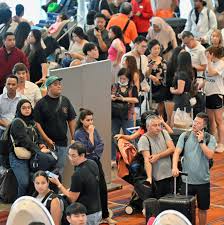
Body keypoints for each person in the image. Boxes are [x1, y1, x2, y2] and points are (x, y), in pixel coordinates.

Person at [172, 112, 216, 225]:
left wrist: (201, 142)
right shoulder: (184, 136)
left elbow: (210, 155)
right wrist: (174, 167)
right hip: (186, 181)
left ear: (204, 125)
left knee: (202, 209)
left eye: (198, 123)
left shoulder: (210, 138)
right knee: (185, 209)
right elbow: (177, 152)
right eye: (194, 121)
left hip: (203, 181)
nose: (195, 124)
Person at [74, 109, 117, 224]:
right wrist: (91, 134)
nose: (90, 122)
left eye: (92, 120)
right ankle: (85, 217)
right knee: (88, 191)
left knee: (102, 188)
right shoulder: (79, 133)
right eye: (88, 120)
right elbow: (87, 149)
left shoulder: (94, 130)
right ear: (82, 120)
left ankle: (105, 215)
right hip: (84, 164)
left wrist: (93, 154)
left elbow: (100, 144)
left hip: (95, 162)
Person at [49, 141, 102, 225]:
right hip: (98, 211)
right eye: (69, 155)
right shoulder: (93, 163)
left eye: (73, 156)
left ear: (82, 155)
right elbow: (88, 184)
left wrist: (58, 184)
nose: (70, 158)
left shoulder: (78, 174)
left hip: (86, 215)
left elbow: (72, 198)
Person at [34, 76, 77, 177]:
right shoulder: (41, 104)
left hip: (62, 143)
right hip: (47, 145)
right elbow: (37, 124)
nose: (59, 86)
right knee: (46, 170)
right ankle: (45, 191)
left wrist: (73, 137)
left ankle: (55, 191)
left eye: (59, 84)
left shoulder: (65, 100)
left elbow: (71, 119)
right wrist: (46, 139)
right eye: (55, 84)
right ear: (49, 87)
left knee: (59, 169)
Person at [9, 99, 49, 198]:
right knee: (24, 183)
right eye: (24, 108)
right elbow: (25, 141)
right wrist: (39, 151)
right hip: (18, 157)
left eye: (29, 107)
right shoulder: (17, 122)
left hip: (32, 155)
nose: (27, 110)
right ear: (19, 109)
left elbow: (38, 137)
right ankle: (19, 205)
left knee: (35, 181)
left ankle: (31, 203)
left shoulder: (32, 122)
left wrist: (42, 144)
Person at [138, 114, 175, 198]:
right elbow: (147, 160)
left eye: (159, 125)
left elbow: (172, 148)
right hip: (156, 178)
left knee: (169, 201)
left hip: (169, 175)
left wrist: (158, 156)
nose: (158, 127)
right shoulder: (144, 139)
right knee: (158, 203)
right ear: (147, 127)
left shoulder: (164, 132)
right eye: (155, 125)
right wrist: (149, 177)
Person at [111, 68, 139, 162]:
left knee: (130, 137)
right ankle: (113, 159)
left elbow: (136, 100)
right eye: (121, 78)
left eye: (124, 78)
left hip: (127, 116)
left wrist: (124, 99)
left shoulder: (133, 87)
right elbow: (106, 96)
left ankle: (132, 159)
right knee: (113, 137)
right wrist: (111, 97)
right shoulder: (114, 86)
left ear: (128, 79)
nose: (122, 80)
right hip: (114, 116)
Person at [204, 47, 224, 153]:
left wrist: (208, 61)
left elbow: (211, 73)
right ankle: (213, 141)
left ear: (212, 54)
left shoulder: (221, 64)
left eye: (207, 54)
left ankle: (221, 143)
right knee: (210, 120)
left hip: (217, 94)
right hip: (208, 94)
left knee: (219, 120)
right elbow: (207, 77)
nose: (206, 56)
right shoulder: (210, 63)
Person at [170, 51, 194, 126]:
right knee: (186, 121)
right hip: (187, 98)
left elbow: (180, 90)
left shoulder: (181, 74)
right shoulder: (190, 72)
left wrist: (172, 90)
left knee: (175, 121)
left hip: (180, 100)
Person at [147, 39, 168, 117]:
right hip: (152, 84)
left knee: (162, 102)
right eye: (155, 49)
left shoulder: (162, 59)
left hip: (162, 84)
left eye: (158, 48)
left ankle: (161, 117)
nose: (157, 50)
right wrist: (152, 77)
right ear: (150, 49)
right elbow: (144, 72)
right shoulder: (147, 59)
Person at [165, 46, 184, 126]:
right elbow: (168, 80)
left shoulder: (183, 66)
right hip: (171, 92)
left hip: (178, 92)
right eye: (182, 53)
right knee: (170, 118)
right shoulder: (171, 65)